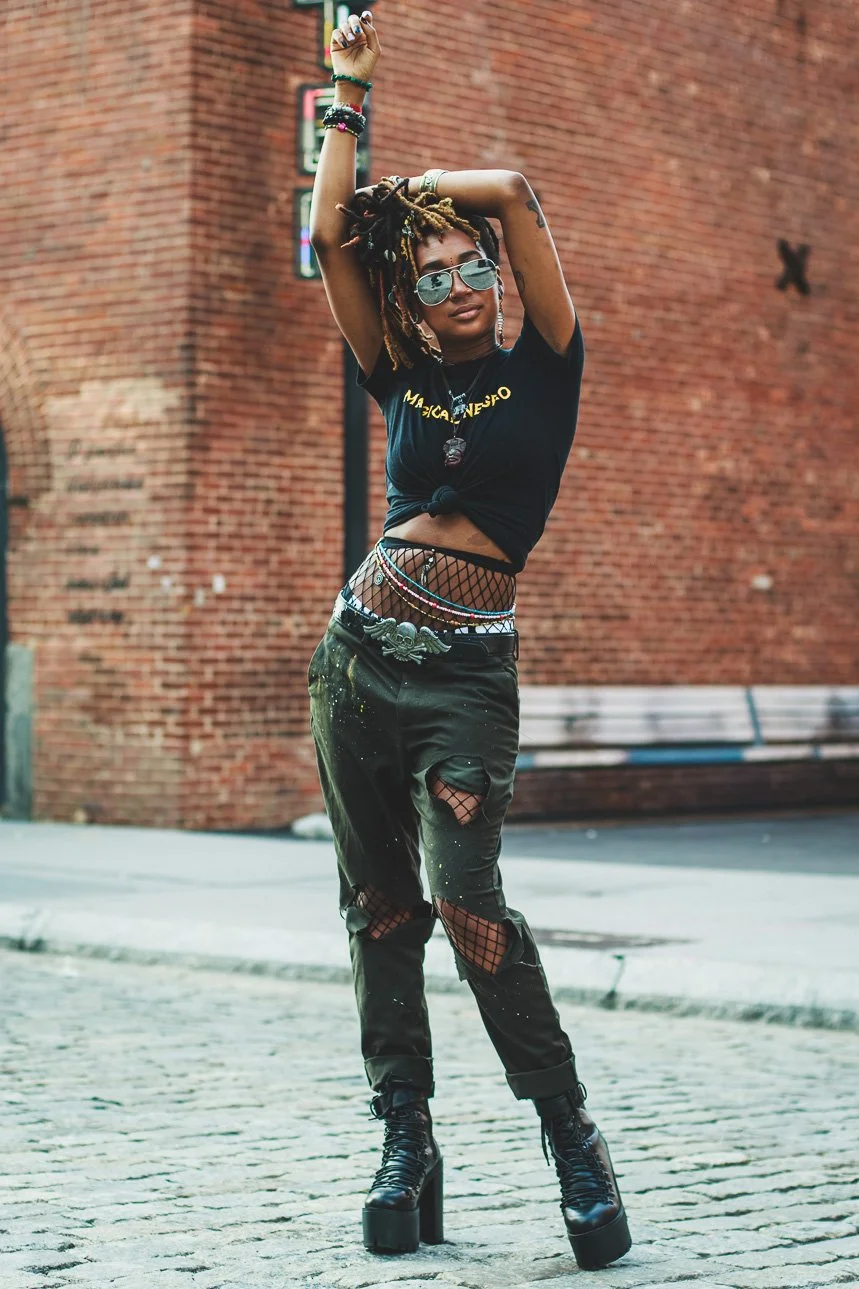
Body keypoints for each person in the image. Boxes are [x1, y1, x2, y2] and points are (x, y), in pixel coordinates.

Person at [307, 10, 631, 1271]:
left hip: (464, 682)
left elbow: (510, 190)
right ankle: (404, 1138)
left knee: (466, 900)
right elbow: (328, 236)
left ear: (498, 276)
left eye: (468, 269)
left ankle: (568, 1135)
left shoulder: (546, 361)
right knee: (381, 909)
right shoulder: (398, 370)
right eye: (429, 274)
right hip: (354, 667)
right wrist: (349, 85)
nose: (451, 288)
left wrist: (414, 203)